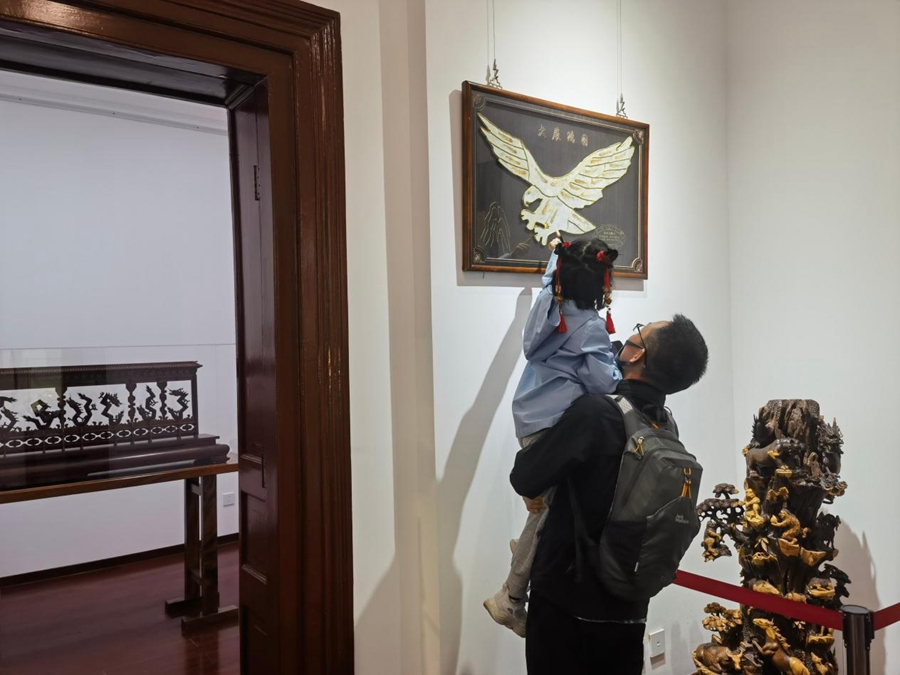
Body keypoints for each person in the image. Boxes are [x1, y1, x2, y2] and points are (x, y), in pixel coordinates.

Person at [509, 316, 709, 674]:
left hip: (566, 604)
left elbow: (525, 477)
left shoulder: (597, 413)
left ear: (636, 356)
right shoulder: (667, 425)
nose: (629, 335)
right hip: (629, 605)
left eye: (639, 331)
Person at [483, 236, 621, 637]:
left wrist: (557, 250)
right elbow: (602, 383)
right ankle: (510, 597)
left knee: (542, 503)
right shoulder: (591, 327)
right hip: (557, 424)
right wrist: (614, 361)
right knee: (549, 512)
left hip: (529, 413)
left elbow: (551, 272)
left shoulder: (547, 300)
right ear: (603, 285)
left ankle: (525, 550)